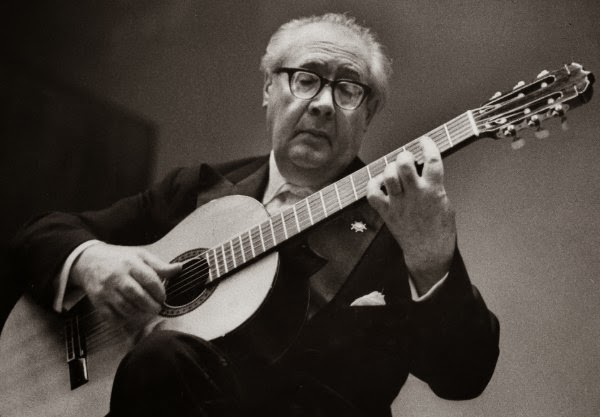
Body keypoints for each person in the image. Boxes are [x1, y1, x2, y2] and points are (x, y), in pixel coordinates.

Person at [11, 13, 499, 417]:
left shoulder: (399, 221)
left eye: (348, 90)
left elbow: (464, 376)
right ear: (269, 88)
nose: (323, 104)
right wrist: (90, 260)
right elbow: (40, 235)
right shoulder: (195, 188)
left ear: (368, 114)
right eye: (306, 79)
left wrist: (432, 258)